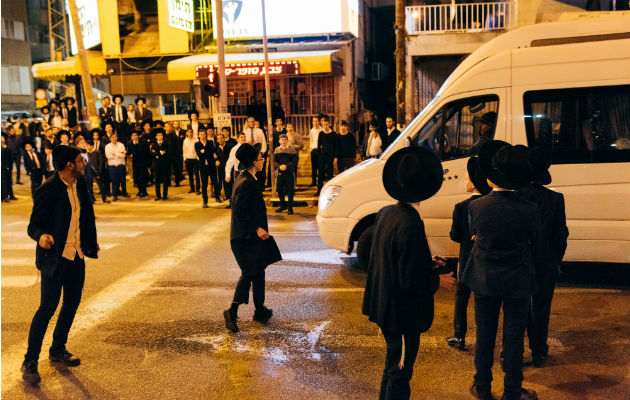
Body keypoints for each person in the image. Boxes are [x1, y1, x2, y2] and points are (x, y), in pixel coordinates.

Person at [362, 146, 456, 400]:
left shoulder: (387, 213)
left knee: (393, 366)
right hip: (401, 314)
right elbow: (409, 280)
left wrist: (428, 263)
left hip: (384, 306)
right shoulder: (410, 223)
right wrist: (438, 279)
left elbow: (394, 260)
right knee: (400, 373)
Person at [462, 140, 540, 400]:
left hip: (484, 278)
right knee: (514, 337)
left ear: (491, 176)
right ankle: (512, 391)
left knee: (485, 335)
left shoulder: (476, 206)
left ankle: (482, 387)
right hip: (517, 279)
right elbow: (536, 243)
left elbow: (475, 235)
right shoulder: (529, 209)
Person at [21, 145, 99, 385]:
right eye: (80, 160)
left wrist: (90, 242)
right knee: (47, 307)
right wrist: (41, 236)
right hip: (54, 258)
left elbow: (86, 217)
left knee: (72, 303)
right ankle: (30, 360)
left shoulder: (82, 184)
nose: (84, 163)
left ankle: (57, 348)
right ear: (68, 165)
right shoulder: (49, 189)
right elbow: (33, 225)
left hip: (76, 255)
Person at [517, 147, 568, 368]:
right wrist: (556, 260)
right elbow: (560, 235)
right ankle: (539, 351)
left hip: (518, 262)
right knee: (541, 307)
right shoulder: (555, 199)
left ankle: (514, 350)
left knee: (517, 308)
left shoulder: (515, 196)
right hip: (545, 262)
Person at [223, 143, 276, 333]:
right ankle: (232, 311)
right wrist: (257, 229)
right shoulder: (245, 182)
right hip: (243, 239)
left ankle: (260, 310)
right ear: (254, 162)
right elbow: (238, 210)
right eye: (261, 158)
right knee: (249, 274)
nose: (263, 161)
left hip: (249, 237)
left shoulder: (247, 177)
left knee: (259, 271)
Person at [445, 156, 492, 350]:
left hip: (466, 259)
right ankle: (484, 337)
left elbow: (455, 236)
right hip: (485, 260)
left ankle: (459, 335)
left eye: (467, 178)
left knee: (462, 296)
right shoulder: (490, 203)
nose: (464, 181)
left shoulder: (461, 207)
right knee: (484, 298)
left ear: (473, 182)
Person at [274, 134, 298, 214]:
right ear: (279, 141)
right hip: (280, 172)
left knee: (290, 190)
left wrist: (286, 166)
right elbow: (274, 161)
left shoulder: (292, 149)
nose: (283, 141)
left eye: (285, 139)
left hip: (289, 172)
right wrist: (279, 166)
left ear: (287, 140)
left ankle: (290, 208)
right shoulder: (277, 150)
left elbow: (294, 161)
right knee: (280, 190)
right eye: (282, 140)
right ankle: (282, 206)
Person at [242, 116, 268, 190]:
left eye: (253, 121)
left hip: (258, 153)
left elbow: (263, 141)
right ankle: (252, 186)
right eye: (250, 122)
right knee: (251, 170)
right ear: (247, 122)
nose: (251, 123)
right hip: (249, 153)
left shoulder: (259, 130)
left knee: (260, 170)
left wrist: (263, 151)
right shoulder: (245, 131)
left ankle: (260, 186)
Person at [316, 115, 338, 195]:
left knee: (330, 174)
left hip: (330, 157)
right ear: (322, 125)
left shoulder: (333, 134)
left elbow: (336, 146)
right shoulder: (321, 134)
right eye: (324, 124)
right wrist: (319, 155)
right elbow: (319, 145)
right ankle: (319, 191)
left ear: (329, 124)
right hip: (322, 156)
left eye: (327, 124)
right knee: (321, 174)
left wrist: (335, 157)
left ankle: (330, 191)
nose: (325, 126)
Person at [225, 132, 247, 208]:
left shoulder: (248, 147)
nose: (243, 138)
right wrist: (227, 174)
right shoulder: (235, 149)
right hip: (238, 172)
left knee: (246, 190)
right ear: (237, 139)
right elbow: (230, 162)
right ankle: (235, 205)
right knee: (237, 190)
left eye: (244, 137)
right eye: (241, 137)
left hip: (247, 172)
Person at [195, 129, 214, 208]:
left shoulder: (210, 142)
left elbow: (211, 152)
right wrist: (206, 152)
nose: (202, 136)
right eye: (201, 134)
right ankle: (205, 201)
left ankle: (217, 197)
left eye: (203, 134)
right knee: (204, 184)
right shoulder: (197, 144)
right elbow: (199, 154)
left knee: (215, 181)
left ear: (206, 134)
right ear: (199, 136)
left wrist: (204, 151)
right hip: (203, 166)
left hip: (211, 165)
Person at [127, 131, 150, 198]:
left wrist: (147, 163)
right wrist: (124, 152)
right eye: (133, 135)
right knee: (136, 178)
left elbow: (146, 152)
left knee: (143, 177)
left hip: (142, 162)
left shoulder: (143, 142)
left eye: (136, 135)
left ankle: (144, 191)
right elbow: (129, 152)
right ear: (131, 137)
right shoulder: (130, 143)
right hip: (135, 163)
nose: (134, 137)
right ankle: (140, 191)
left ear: (138, 136)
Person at [151, 129, 170, 200]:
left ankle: (165, 195)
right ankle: (157, 195)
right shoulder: (154, 144)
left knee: (165, 181)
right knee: (157, 181)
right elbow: (152, 153)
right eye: (158, 135)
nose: (160, 136)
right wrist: (160, 153)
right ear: (156, 137)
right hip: (156, 165)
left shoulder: (166, 143)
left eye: (161, 135)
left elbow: (168, 152)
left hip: (164, 165)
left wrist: (157, 153)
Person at [213, 132, 232, 203]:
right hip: (220, 168)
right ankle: (217, 196)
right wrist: (216, 160)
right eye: (218, 139)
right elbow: (214, 156)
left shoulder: (229, 146)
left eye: (221, 138)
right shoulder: (216, 148)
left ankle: (229, 196)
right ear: (217, 140)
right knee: (219, 183)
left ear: (224, 139)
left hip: (228, 168)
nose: (220, 140)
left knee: (228, 183)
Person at [165, 122, 183, 186]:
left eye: (169, 126)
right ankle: (168, 183)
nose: (168, 128)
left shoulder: (174, 136)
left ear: (171, 128)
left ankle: (177, 182)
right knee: (167, 170)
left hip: (174, 155)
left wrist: (178, 155)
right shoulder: (163, 136)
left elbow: (178, 146)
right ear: (165, 128)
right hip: (166, 156)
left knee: (176, 169)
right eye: (166, 126)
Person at [183, 128, 200, 194]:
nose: (190, 133)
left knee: (197, 175)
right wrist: (185, 159)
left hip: (195, 159)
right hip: (188, 159)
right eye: (189, 132)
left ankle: (197, 189)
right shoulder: (185, 141)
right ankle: (192, 188)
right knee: (190, 175)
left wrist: (198, 158)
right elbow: (184, 150)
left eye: (191, 132)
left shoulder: (196, 140)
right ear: (187, 133)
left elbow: (198, 149)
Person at [1, 135, 16, 201]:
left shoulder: (7, 147)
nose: (2, 139)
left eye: (3, 138)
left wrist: (9, 166)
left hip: (8, 166)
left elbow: (10, 157)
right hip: (2, 167)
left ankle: (11, 195)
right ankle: (4, 196)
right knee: (3, 181)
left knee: (9, 181)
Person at [309, 116, 321, 186]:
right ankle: (313, 181)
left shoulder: (321, 130)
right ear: (312, 122)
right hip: (314, 150)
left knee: (320, 167)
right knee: (313, 167)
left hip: (320, 150)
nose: (315, 123)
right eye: (314, 121)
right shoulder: (312, 130)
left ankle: (320, 181)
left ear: (319, 122)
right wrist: (311, 148)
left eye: (316, 121)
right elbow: (311, 140)